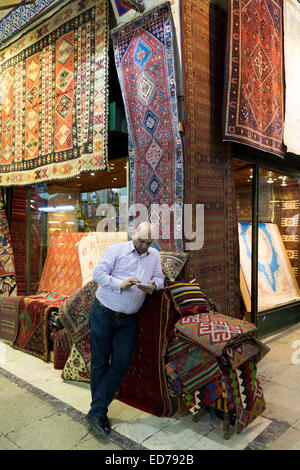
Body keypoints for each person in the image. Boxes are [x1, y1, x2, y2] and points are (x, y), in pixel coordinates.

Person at [85, 222, 165, 438]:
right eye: (141, 241)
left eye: (149, 242)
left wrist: (154, 286)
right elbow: (98, 274)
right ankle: (99, 412)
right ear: (134, 234)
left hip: (129, 320)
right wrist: (121, 284)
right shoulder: (116, 250)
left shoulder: (154, 255)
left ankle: (95, 412)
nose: (145, 245)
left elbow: (160, 278)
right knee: (100, 363)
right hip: (103, 313)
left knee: (120, 363)